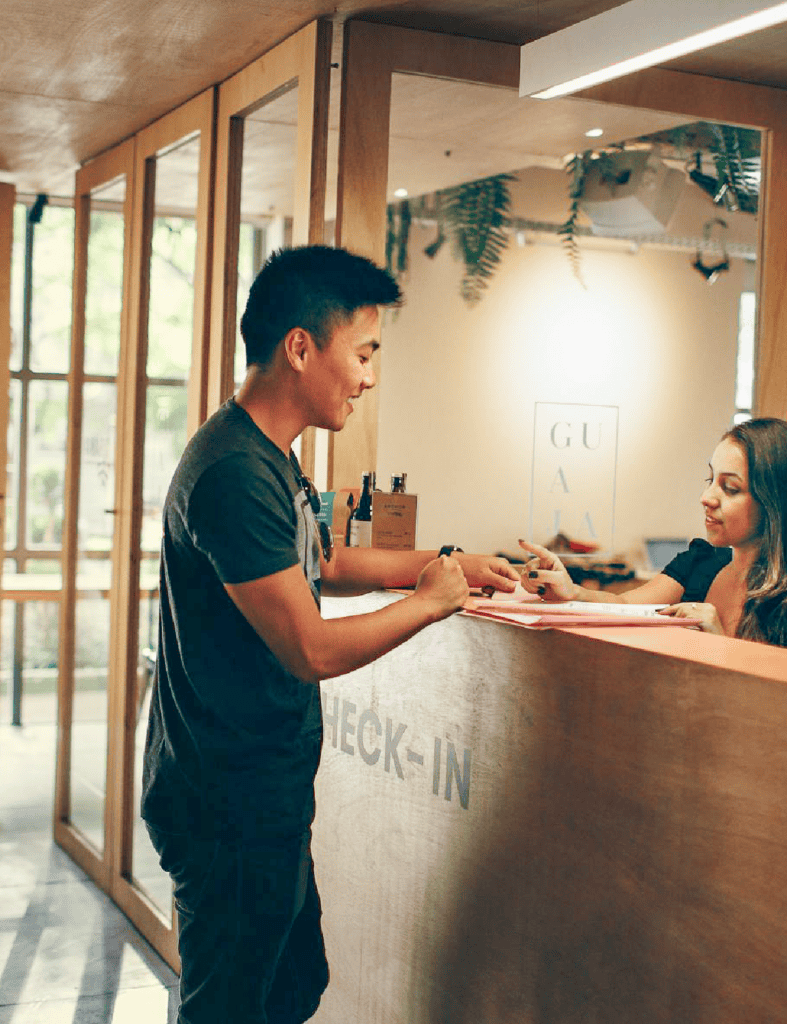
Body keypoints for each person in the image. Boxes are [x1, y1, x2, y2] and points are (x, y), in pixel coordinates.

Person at [141, 244, 519, 1024]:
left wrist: (450, 561)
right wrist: (430, 601)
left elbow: (327, 559)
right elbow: (309, 647)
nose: (370, 376)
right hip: (227, 800)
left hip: (258, 792)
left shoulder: (271, 458)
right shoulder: (233, 473)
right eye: (364, 351)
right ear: (301, 347)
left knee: (291, 987)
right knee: (232, 1008)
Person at [519, 417, 787, 658]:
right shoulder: (702, 561)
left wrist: (719, 641)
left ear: (777, 504)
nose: (707, 497)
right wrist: (570, 590)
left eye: (730, 487)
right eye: (710, 479)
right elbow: (623, 606)